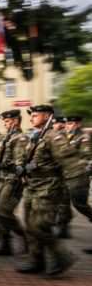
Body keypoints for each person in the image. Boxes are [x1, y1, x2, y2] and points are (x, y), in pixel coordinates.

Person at [15, 105, 78, 276]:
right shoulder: (35, 136)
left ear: (47, 116)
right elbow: (25, 157)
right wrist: (22, 168)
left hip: (48, 186)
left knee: (40, 225)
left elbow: (68, 161)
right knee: (30, 225)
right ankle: (37, 260)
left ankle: (60, 256)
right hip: (32, 186)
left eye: (35, 115)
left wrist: (75, 183)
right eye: (31, 116)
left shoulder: (54, 137)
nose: (31, 118)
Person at [0, 110, 28, 256]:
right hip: (0, 179)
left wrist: (5, 165)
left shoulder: (21, 138)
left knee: (3, 211)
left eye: (7, 121)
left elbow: (20, 161)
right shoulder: (6, 138)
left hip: (12, 180)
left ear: (15, 121)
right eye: (4, 122)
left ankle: (25, 237)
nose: (4, 124)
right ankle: (5, 244)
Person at [57, 116, 92, 245]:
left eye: (70, 123)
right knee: (63, 201)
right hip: (64, 175)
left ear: (78, 124)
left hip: (78, 175)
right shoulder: (64, 136)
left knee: (79, 204)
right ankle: (63, 227)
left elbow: (85, 157)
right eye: (66, 123)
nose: (67, 126)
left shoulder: (84, 138)